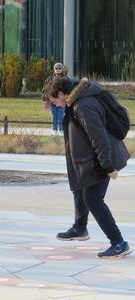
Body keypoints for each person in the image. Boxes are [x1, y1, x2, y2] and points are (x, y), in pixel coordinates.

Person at [45, 77, 131, 258]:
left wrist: (107, 166)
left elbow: (99, 137)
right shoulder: (78, 100)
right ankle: (80, 228)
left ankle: (118, 243)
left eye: (56, 102)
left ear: (62, 94)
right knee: (80, 188)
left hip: (101, 160)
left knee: (93, 199)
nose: (58, 106)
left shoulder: (82, 106)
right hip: (92, 159)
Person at [42, 62, 67, 135]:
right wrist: (44, 100)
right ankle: (54, 130)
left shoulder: (65, 79)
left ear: (62, 69)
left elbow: (67, 89)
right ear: (54, 69)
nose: (58, 70)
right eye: (56, 68)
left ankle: (61, 130)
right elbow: (44, 89)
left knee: (61, 116)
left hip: (61, 101)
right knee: (53, 116)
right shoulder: (49, 78)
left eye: (59, 68)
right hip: (52, 101)